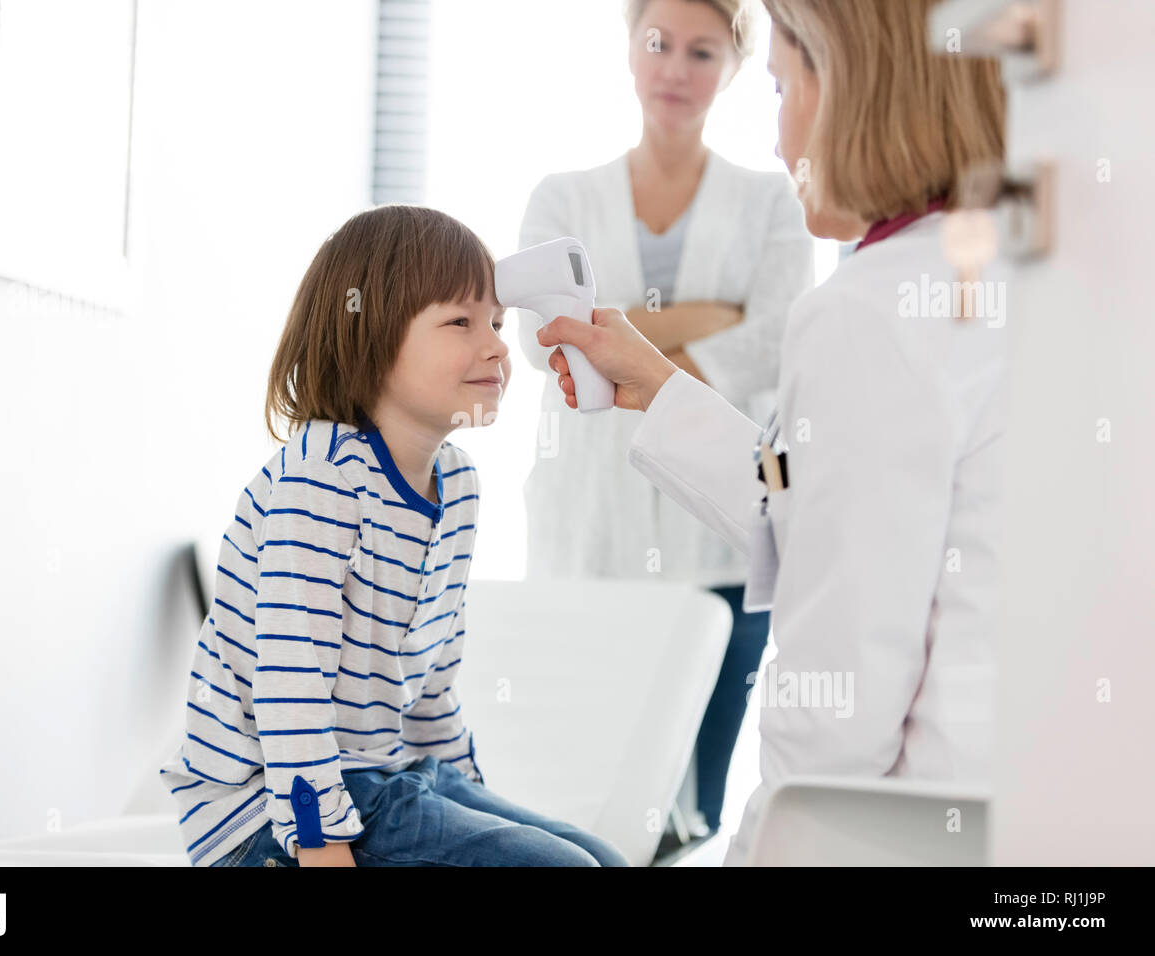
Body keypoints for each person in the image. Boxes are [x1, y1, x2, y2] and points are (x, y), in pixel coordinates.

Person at [534, 0, 1007, 865]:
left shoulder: (868, 313)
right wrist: (664, 386)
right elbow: (808, 498)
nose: (784, 141)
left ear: (848, 89)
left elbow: (838, 716)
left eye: (784, 88)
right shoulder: (997, 270)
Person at [159, 205, 628, 867]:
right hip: (266, 810)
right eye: (460, 322)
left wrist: (468, 803)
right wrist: (322, 849)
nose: (496, 345)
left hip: (385, 772)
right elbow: (289, 684)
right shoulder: (320, 480)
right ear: (371, 337)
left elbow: (431, 683)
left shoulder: (458, 486)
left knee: (601, 860)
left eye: (495, 320)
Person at [514, 0, 813, 840]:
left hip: (719, 543)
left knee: (691, 813)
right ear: (629, 50)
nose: (676, 69)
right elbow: (552, 344)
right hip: (591, 540)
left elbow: (774, 341)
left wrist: (626, 337)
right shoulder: (561, 197)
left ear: (736, 66)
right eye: (658, 44)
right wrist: (707, 315)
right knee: (582, 797)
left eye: (702, 51)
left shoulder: (772, 203)